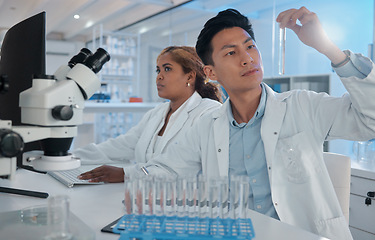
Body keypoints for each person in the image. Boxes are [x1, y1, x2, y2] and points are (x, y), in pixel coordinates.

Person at [141, 7, 375, 240]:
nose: (247, 58)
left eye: (250, 46)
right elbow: (168, 169)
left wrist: (328, 49)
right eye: (231, 53)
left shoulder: (302, 106)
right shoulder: (207, 126)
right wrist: (126, 174)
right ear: (210, 72)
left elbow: (370, 122)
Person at [73, 46, 222, 183]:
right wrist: (69, 157)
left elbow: (179, 168)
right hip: (148, 198)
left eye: (167, 69)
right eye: (158, 70)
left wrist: (126, 173)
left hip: (187, 204)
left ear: (189, 77)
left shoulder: (209, 113)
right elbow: (121, 145)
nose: (159, 77)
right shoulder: (157, 113)